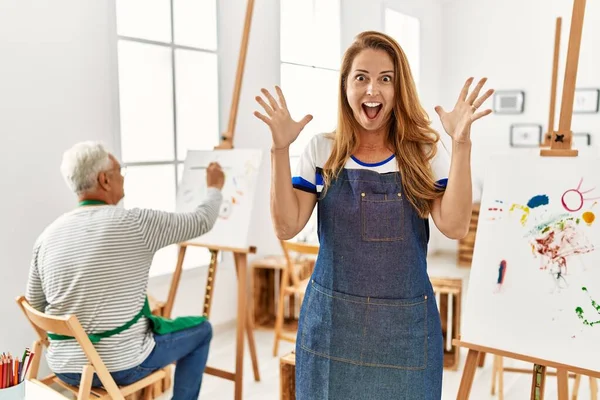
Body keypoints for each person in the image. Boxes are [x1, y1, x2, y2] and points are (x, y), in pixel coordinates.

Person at [254, 31, 493, 399]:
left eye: (386, 79)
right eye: (361, 77)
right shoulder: (322, 150)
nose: (372, 90)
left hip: (405, 333)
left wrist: (461, 144)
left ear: (399, 90)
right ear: (345, 87)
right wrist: (279, 149)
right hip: (333, 329)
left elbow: (456, 225)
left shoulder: (423, 151)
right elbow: (286, 226)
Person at [25, 141, 225, 400]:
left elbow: (36, 305)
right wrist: (214, 188)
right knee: (202, 331)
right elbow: (201, 221)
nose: (123, 177)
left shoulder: (47, 236)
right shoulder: (137, 224)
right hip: (120, 366)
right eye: (120, 171)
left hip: (64, 367)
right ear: (104, 180)